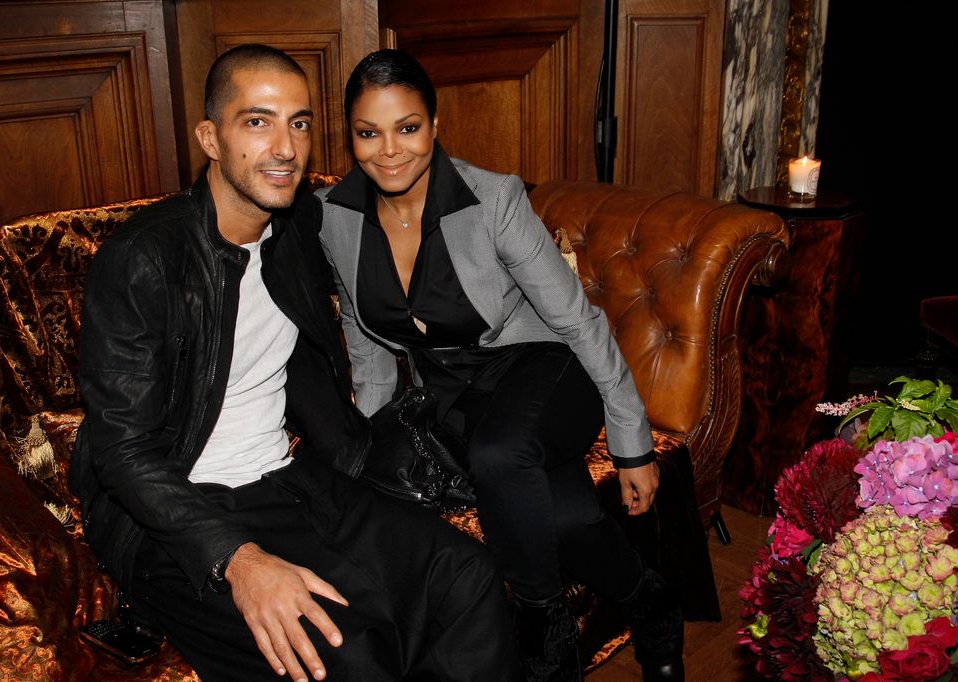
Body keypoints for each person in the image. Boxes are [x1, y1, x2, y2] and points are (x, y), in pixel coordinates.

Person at [70, 44, 520, 682]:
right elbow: (123, 452)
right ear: (210, 137)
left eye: (300, 123)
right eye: (257, 122)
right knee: (349, 655)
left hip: (287, 476)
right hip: (178, 515)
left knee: (466, 577)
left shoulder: (299, 224)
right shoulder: (144, 258)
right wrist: (241, 562)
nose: (284, 147)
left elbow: (403, 185)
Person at [318, 49, 685, 682]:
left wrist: (631, 442)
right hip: (454, 393)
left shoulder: (493, 199)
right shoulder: (333, 218)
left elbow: (577, 320)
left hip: (544, 366)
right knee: (565, 518)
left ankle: (545, 629)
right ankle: (652, 601)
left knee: (499, 453)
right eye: (367, 133)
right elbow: (369, 345)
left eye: (407, 128)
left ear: (435, 125)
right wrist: (373, 444)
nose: (389, 151)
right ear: (349, 136)